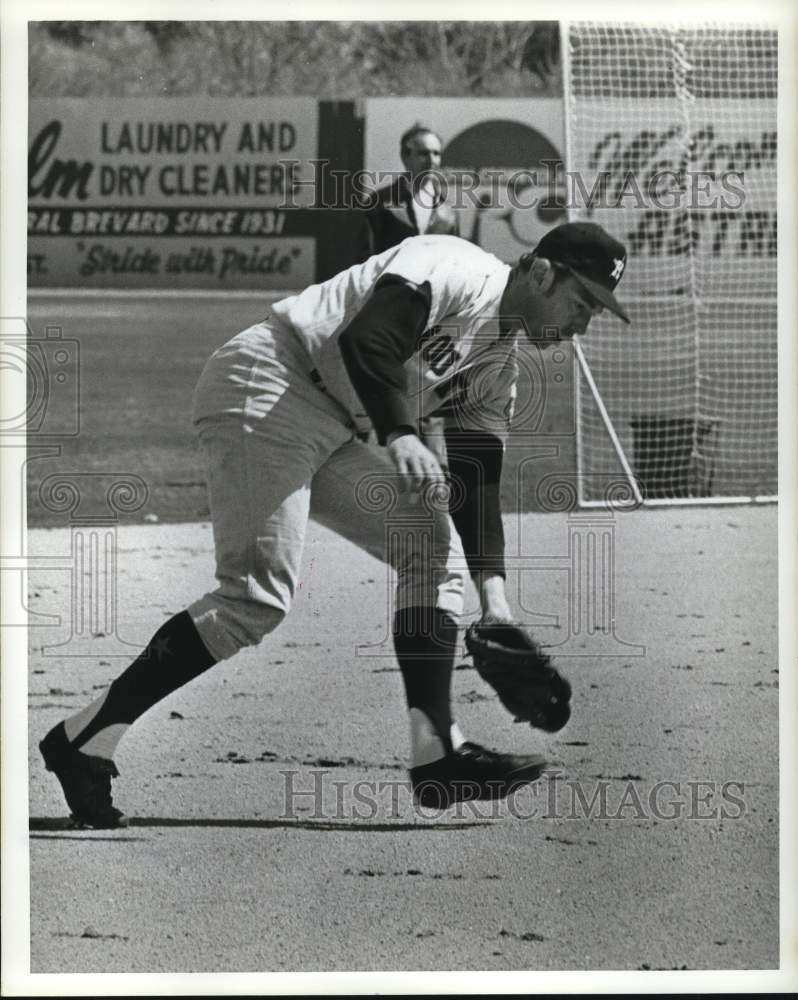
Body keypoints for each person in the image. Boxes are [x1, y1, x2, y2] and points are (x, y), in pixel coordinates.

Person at [39, 221, 630, 828]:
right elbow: (369, 338)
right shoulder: (455, 266)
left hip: (333, 426)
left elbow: (477, 481)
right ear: (540, 273)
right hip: (267, 384)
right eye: (581, 300)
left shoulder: (498, 365)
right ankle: (84, 739)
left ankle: (438, 755)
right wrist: (400, 432)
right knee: (254, 598)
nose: (583, 322)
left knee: (434, 551)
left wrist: (496, 605)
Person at [356, 123, 460, 261]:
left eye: (436, 154)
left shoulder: (448, 213)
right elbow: (364, 260)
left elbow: (455, 264)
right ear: (405, 157)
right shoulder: (379, 202)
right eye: (423, 153)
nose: (431, 161)